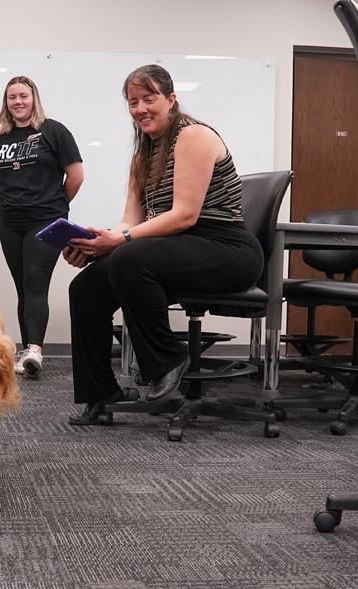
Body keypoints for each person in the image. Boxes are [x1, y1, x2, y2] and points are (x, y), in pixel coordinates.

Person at [64, 64, 264, 425]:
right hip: (175, 248)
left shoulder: (194, 136)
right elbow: (131, 221)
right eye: (133, 102)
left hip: (226, 249)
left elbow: (185, 215)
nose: (140, 108)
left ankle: (168, 359)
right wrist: (98, 242)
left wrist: (121, 242)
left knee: (128, 257)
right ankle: (101, 394)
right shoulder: (143, 155)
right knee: (86, 287)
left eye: (149, 98)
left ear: (171, 100)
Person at [0, 76, 84, 379]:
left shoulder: (54, 131)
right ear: (6, 102)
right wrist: (13, 196)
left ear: (33, 98)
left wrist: (55, 203)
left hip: (46, 219)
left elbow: (76, 175)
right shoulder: (0, 138)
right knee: (22, 286)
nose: (18, 101)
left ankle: (35, 349)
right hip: (10, 221)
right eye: (12, 97)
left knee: (36, 281)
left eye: (23, 96)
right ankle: (28, 351)